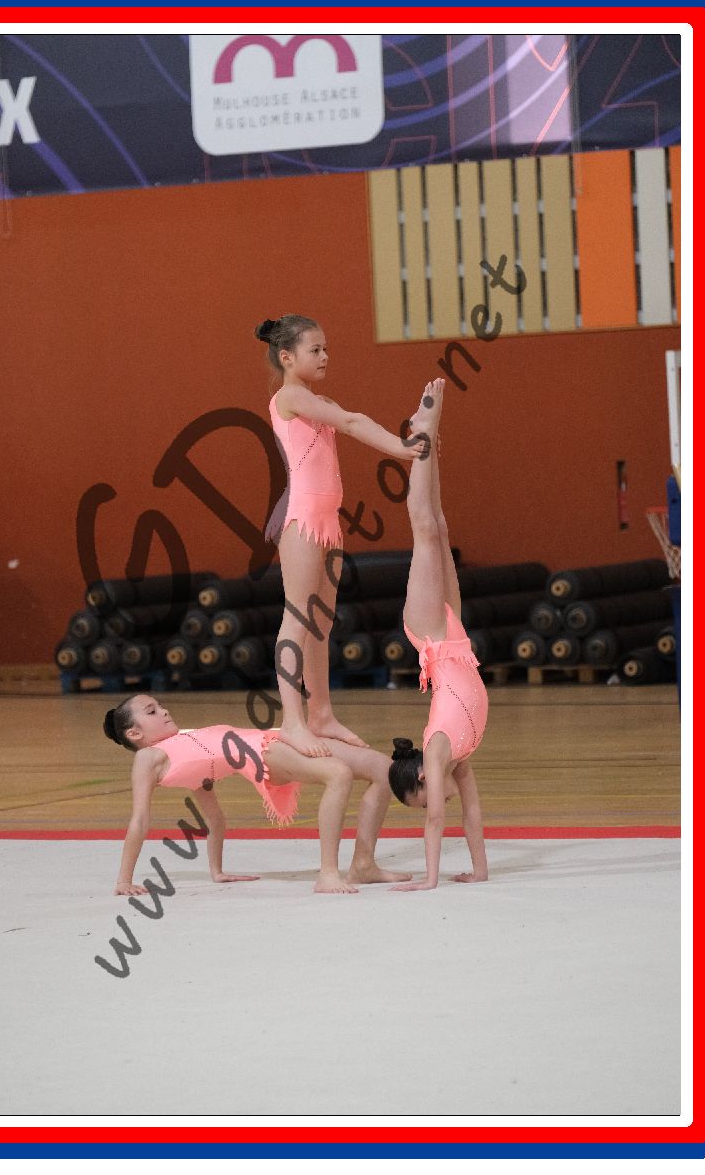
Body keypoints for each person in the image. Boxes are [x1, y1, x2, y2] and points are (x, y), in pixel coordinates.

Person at [256, 314, 428, 759]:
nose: (325, 356)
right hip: (300, 518)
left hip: (327, 519)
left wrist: (402, 447)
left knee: (321, 622)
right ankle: (293, 721)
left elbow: (347, 421)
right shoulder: (290, 396)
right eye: (315, 350)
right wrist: (402, 448)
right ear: (287, 357)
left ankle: (321, 714)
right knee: (298, 617)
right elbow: (351, 422)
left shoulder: (317, 400)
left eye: (326, 349)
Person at [104, 693, 411, 895]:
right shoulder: (148, 757)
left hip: (274, 738)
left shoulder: (185, 746)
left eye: (160, 706)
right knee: (338, 774)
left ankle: (363, 865)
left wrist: (217, 871)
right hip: (262, 754)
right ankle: (328, 874)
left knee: (382, 768)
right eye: (152, 711)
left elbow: (214, 819)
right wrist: (123, 880)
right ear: (134, 733)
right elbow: (140, 821)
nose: (164, 710)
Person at [387, 378, 489, 891]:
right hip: (456, 639)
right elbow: (471, 813)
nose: (433, 805)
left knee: (424, 529)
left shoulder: (437, 750)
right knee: (441, 527)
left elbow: (435, 823)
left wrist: (429, 879)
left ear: (423, 779)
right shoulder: (459, 760)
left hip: (429, 634)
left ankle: (422, 435)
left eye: (423, 799)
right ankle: (429, 445)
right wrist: (480, 868)